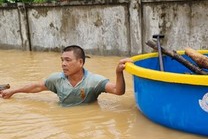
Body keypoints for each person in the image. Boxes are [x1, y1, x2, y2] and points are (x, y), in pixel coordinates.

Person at [0, 45, 132, 107]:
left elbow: (118, 91)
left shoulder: (93, 81)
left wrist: (118, 72)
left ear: (80, 62)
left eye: (68, 60)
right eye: (62, 60)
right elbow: (36, 87)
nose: (63, 64)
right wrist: (13, 91)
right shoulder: (57, 79)